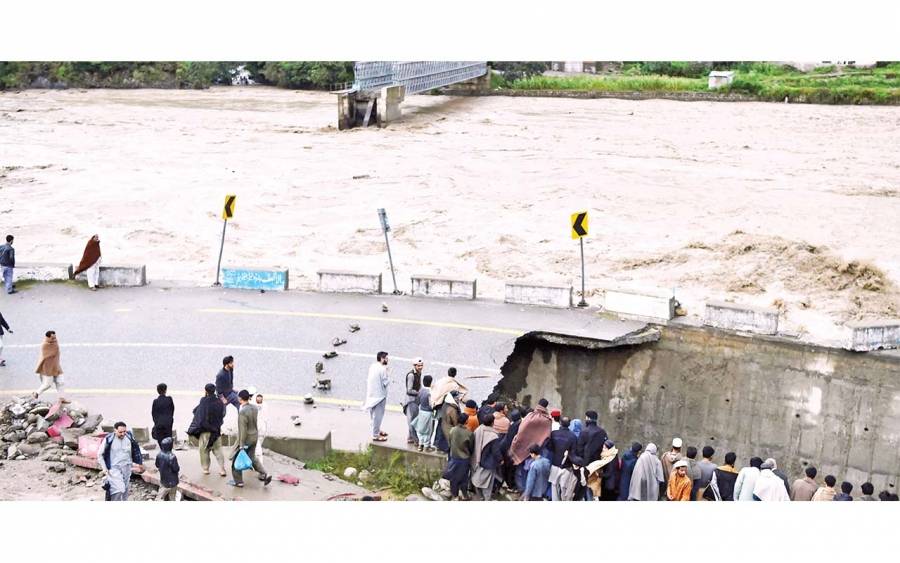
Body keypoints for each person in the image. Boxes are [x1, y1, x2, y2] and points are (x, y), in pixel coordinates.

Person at [228, 390, 272, 488]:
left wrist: (241, 445)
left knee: (236, 460)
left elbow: (242, 430)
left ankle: (238, 482)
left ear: (240, 399)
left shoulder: (242, 412)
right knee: (252, 458)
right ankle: (265, 473)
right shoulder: (255, 408)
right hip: (254, 437)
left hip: (246, 439)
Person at [509, 399, 553, 490]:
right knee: (533, 470)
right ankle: (531, 490)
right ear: (546, 407)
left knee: (521, 470)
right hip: (538, 449)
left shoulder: (529, 416)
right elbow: (547, 436)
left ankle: (522, 489)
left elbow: (521, 430)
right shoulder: (547, 420)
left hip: (524, 446)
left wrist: (517, 443)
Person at [97, 421, 145, 501]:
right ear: (115, 430)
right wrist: (105, 468)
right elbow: (100, 454)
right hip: (114, 468)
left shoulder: (129, 436)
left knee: (125, 488)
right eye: (120, 432)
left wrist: (139, 463)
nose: (123, 434)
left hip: (127, 467)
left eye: (124, 431)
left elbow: (136, 449)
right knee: (119, 489)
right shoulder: (108, 439)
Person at [187, 383, 227, 476]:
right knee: (218, 450)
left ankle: (206, 469)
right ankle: (222, 469)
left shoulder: (203, 401)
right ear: (215, 390)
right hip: (216, 431)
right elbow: (223, 414)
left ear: (206, 391)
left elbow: (199, 414)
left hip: (205, 430)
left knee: (204, 450)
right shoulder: (219, 402)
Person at [471, 413, 501, 500]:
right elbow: (496, 451)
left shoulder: (478, 430)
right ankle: (487, 499)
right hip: (488, 463)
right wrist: (501, 460)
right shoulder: (494, 435)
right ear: (492, 422)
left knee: (477, 479)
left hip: (476, 459)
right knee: (488, 483)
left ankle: (480, 496)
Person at [444, 412, 474, 500]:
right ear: (466, 421)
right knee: (464, 477)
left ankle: (455, 496)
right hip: (464, 459)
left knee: (454, 478)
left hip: (454, 457)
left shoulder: (452, 430)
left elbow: (449, 442)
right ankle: (465, 495)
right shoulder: (469, 433)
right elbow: (471, 447)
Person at [546, 417, 577, 501]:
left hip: (555, 463)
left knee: (554, 485)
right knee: (564, 488)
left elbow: (549, 447)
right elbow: (573, 452)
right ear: (569, 424)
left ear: (560, 422)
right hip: (566, 466)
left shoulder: (553, 434)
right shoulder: (573, 436)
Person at [363, 351, 390, 442]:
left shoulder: (373, 366)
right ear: (382, 359)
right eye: (386, 358)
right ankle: (375, 435)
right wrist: (388, 373)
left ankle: (377, 430)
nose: (387, 360)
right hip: (380, 396)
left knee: (373, 415)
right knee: (378, 416)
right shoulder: (383, 369)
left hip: (371, 395)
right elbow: (385, 382)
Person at [33, 330, 66, 401]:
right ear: (48, 337)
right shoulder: (45, 345)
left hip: (56, 366)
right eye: (52, 338)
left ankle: (61, 398)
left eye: (55, 337)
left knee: (61, 382)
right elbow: (48, 355)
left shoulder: (55, 342)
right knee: (47, 384)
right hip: (48, 368)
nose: (54, 339)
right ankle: (36, 393)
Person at [403, 358, 424, 445]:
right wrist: (419, 393)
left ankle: (410, 438)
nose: (420, 367)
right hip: (411, 401)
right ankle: (416, 440)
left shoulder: (419, 373)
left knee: (414, 420)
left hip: (416, 400)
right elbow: (409, 390)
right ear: (414, 366)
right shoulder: (411, 375)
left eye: (421, 365)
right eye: (418, 366)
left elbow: (419, 385)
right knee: (412, 422)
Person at [412, 375, 435, 451]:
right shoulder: (430, 392)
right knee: (428, 430)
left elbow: (417, 401)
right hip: (428, 413)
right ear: (431, 383)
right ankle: (426, 446)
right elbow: (431, 404)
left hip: (421, 411)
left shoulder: (421, 390)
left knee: (421, 429)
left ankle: (420, 445)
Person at [435, 389, 462, 454]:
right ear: (453, 398)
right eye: (457, 397)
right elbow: (455, 421)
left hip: (444, 425)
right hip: (449, 428)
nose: (458, 399)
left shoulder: (446, 403)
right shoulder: (452, 409)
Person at [151, 383, 175, 449]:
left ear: (157, 391)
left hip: (159, 425)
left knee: (161, 444)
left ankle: (162, 456)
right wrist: (169, 420)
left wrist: (156, 422)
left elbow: (153, 414)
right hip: (168, 425)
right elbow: (172, 410)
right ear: (165, 390)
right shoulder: (169, 399)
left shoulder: (155, 401)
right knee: (168, 443)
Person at [254, 392, 268, 460]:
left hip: (262, 428)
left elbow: (266, 417)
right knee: (257, 446)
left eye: (260, 399)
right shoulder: (253, 405)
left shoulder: (265, 405)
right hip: (256, 427)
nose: (259, 400)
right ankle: (258, 459)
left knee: (259, 444)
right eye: (258, 399)